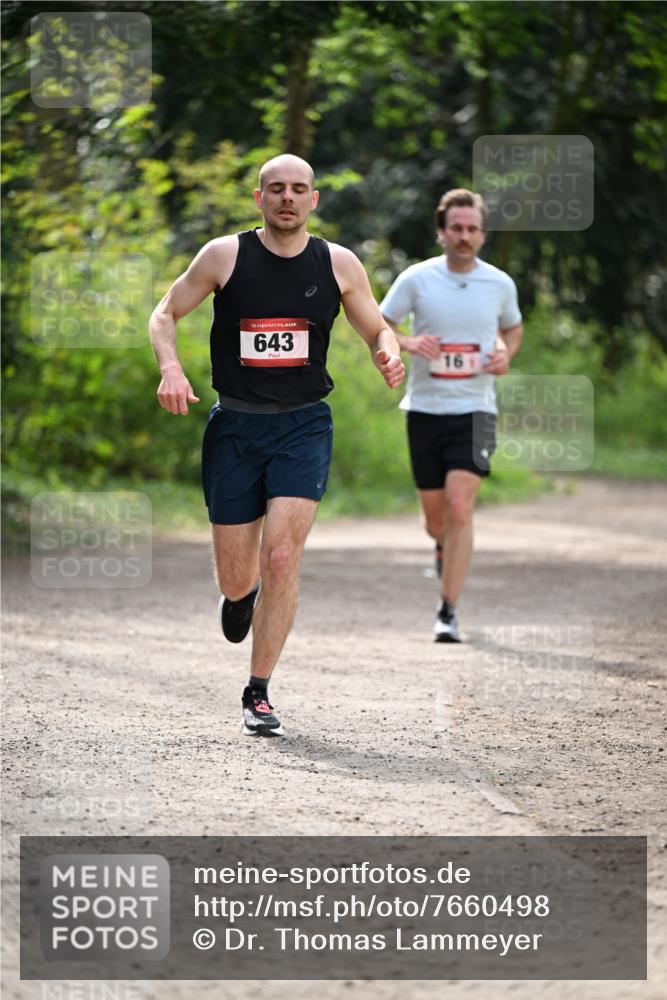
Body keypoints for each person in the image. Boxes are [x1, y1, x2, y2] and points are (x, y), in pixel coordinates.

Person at [149, 154, 405, 737]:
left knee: (283, 555)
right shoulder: (223, 255)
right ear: (259, 198)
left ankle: (258, 691)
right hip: (235, 426)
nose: (287, 198)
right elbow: (165, 313)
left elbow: (376, 325)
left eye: (298, 190)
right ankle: (241, 598)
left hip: (303, 425)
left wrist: (385, 350)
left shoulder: (339, 264)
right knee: (238, 578)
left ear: (314, 200)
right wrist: (171, 368)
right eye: (276, 189)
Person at [380, 188, 523, 643]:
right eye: (456, 228)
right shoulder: (417, 279)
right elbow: (380, 322)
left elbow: (512, 328)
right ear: (442, 233)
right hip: (424, 409)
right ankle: (442, 548)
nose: (465, 236)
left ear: (482, 234)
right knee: (436, 520)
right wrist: (407, 343)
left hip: (476, 409)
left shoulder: (499, 283)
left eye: (473, 229)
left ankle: (448, 610)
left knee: (462, 508)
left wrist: (505, 354)